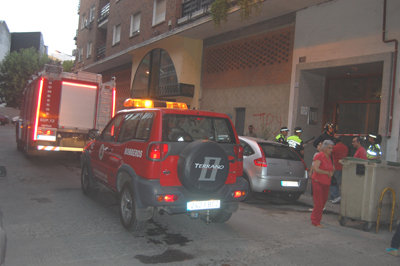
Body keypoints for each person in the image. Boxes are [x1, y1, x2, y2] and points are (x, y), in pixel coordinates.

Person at [310, 140, 334, 227]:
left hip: (326, 183)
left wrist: (331, 172)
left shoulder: (329, 158)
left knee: (323, 202)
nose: (331, 150)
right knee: (319, 202)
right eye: (329, 148)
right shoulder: (320, 156)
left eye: (332, 148)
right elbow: (316, 168)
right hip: (318, 182)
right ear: (324, 148)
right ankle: (315, 221)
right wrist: (327, 173)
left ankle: (316, 218)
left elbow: (331, 168)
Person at [330, 134, 348, 204]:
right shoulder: (345, 147)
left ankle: (335, 196)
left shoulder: (334, 147)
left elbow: (330, 155)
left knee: (334, 182)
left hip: (336, 166)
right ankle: (337, 196)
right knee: (339, 182)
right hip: (343, 166)